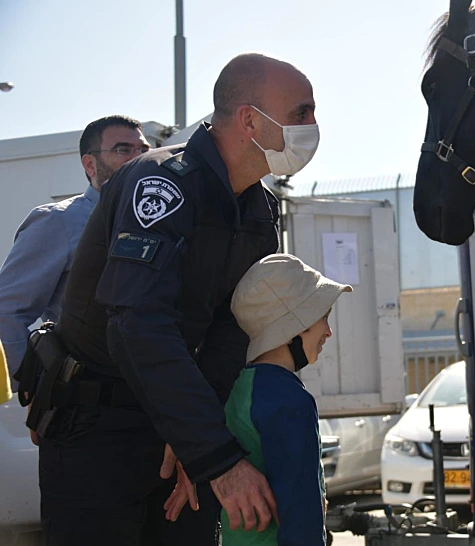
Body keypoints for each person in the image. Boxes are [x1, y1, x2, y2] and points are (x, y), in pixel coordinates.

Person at [30, 53, 320, 546]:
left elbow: (234, 326)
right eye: (301, 113)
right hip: (98, 432)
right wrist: (217, 459)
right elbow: (136, 324)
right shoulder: (161, 182)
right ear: (250, 120)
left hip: (176, 429)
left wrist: (195, 439)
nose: (312, 126)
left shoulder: (258, 207)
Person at [0, 115, 148, 384]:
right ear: (90, 164)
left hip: (152, 391)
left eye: (144, 150)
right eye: (123, 150)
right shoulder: (59, 220)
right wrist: (32, 385)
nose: (139, 158)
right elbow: (8, 311)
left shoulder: (158, 222)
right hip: (87, 395)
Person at [216, 253, 350, 546]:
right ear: (294, 326)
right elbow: (300, 510)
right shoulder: (290, 401)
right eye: (322, 317)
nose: (328, 332)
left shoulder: (239, 389)